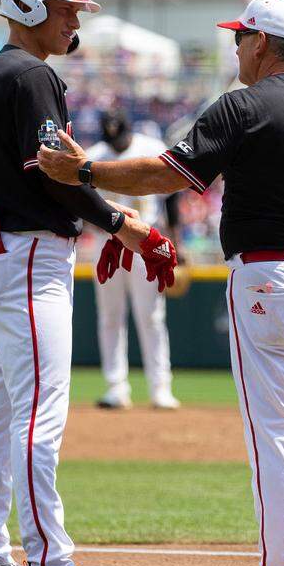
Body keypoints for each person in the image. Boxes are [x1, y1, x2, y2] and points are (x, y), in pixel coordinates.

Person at [38, 0, 284, 566]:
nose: (236, 47)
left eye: (240, 37)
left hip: (267, 281)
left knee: (275, 434)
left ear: (262, 43)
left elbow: (166, 175)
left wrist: (88, 174)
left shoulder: (242, 106)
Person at [0, 0, 177, 566]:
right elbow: (61, 173)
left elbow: (50, 174)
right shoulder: (28, 74)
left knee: (2, 411)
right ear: (28, 6)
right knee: (36, 413)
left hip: (10, 250)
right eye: (64, 7)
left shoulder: (4, 69)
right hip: (28, 256)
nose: (74, 17)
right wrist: (124, 227)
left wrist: (106, 222)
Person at [87, 109, 181, 410]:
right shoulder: (94, 155)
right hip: (107, 242)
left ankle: (160, 388)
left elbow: (173, 199)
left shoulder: (151, 148)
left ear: (129, 130)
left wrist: (175, 242)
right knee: (110, 315)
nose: (117, 143)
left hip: (145, 238)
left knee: (151, 315)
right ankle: (116, 387)